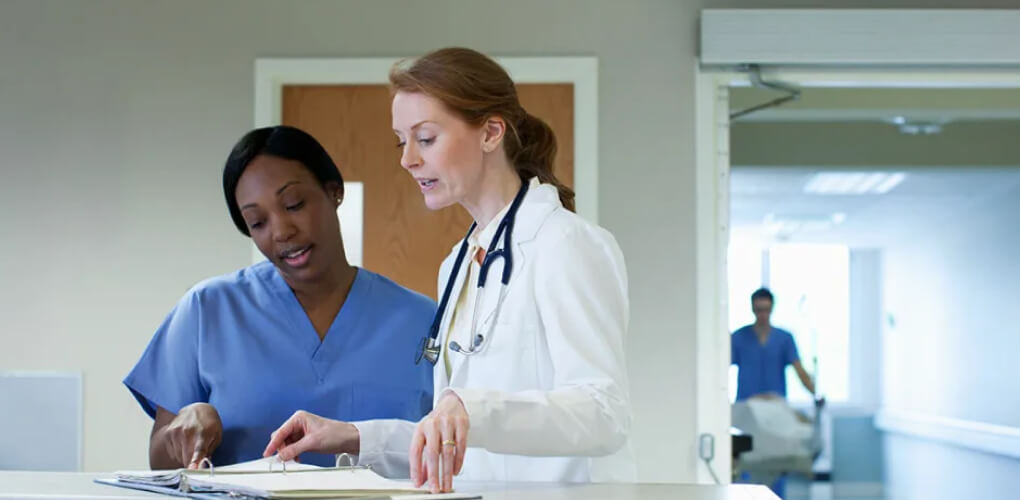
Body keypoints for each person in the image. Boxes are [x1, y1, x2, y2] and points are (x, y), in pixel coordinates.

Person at [263, 47, 633, 493]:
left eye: (425, 138)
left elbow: (604, 413)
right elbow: (458, 440)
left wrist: (471, 409)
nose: (407, 159)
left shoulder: (564, 244)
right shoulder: (458, 264)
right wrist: (356, 436)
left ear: (491, 132)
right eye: (401, 141)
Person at [124, 126, 435, 470]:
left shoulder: (422, 321)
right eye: (257, 222)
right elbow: (160, 465)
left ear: (334, 191)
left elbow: (458, 449)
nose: (281, 231)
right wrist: (189, 424)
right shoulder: (207, 310)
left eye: (294, 204)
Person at [731, 287, 817, 498]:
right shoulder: (739, 338)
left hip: (774, 413)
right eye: (758, 310)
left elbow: (799, 371)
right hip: (748, 412)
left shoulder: (784, 338)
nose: (762, 315)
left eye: (766, 310)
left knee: (776, 468)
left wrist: (815, 392)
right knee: (745, 468)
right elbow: (718, 370)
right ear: (752, 309)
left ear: (772, 309)